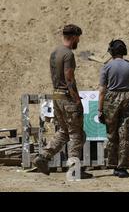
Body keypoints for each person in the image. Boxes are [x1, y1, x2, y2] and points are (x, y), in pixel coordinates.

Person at [34, 24, 92, 178]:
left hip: (56, 96)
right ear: (73, 37)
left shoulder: (55, 52)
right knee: (76, 133)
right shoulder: (68, 54)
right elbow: (69, 78)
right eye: (78, 38)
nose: (78, 42)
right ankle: (74, 170)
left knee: (64, 131)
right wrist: (76, 99)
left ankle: (43, 156)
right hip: (67, 97)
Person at [98, 39, 129, 178]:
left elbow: (102, 91)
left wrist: (100, 110)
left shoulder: (106, 67)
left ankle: (113, 164)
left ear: (111, 51)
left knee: (112, 134)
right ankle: (122, 168)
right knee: (125, 135)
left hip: (111, 100)